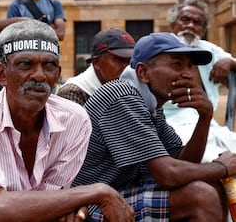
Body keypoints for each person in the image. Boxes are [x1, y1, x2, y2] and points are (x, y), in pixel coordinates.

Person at [0, 20, 135, 222]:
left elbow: (54, 201)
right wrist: (97, 192)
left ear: (58, 75)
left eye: (49, 65)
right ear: (1, 74)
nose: (39, 75)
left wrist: (70, 207)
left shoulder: (75, 120)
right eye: (25, 64)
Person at [72, 32, 236, 221]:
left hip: (119, 192)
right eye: (177, 64)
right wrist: (221, 167)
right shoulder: (122, 95)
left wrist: (205, 118)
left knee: (211, 182)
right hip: (89, 204)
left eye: (190, 66)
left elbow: (184, 162)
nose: (188, 74)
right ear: (143, 72)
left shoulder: (151, 104)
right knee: (200, 196)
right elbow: (167, 174)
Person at [164, 0, 236, 162]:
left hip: (210, 125)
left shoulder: (209, 50)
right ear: (173, 24)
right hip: (172, 126)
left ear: (202, 31)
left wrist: (230, 62)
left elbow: (232, 62)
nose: (190, 25)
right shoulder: (157, 50)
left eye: (197, 23)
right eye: (185, 19)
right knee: (213, 159)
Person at [57, 28, 135, 105]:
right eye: (119, 60)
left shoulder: (132, 88)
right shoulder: (73, 93)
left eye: (130, 61)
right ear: (96, 62)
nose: (127, 68)